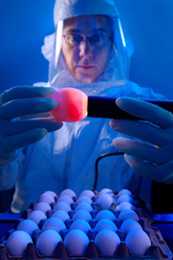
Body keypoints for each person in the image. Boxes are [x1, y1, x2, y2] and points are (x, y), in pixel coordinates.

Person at [0, 0, 173, 213]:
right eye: (74, 37)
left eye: (97, 37)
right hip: (29, 237)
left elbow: (152, 198)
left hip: (115, 237)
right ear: (58, 41)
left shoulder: (143, 104)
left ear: (113, 42)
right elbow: (5, 181)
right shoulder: (30, 103)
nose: (84, 50)